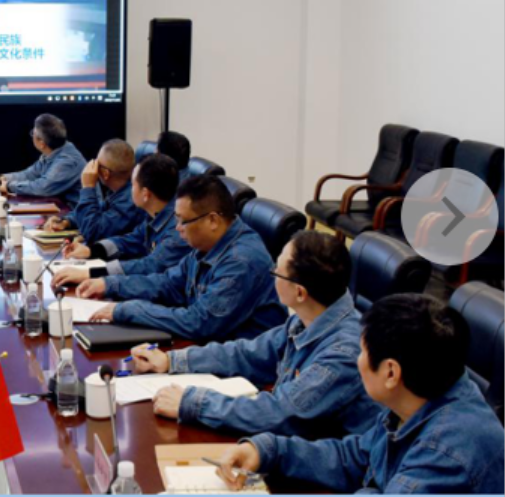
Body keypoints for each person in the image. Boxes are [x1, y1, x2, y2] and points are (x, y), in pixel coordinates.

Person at [215, 294, 504, 494]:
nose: (357, 361)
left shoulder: (445, 455)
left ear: (390, 373)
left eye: (362, 351)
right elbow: (359, 457)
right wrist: (267, 450)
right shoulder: (421, 394)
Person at [129, 231, 380, 439]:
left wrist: (191, 403)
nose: (272, 274)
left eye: (277, 271)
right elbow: (248, 353)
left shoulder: (343, 353)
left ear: (300, 293)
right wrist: (171, 360)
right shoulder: (310, 317)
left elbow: (279, 413)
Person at [84, 175, 286, 342]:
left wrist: (130, 309)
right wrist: (111, 284)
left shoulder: (241, 261)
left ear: (213, 220)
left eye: (183, 221)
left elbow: (199, 323)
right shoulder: (209, 244)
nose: (177, 228)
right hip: (207, 348)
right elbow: (168, 283)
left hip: (237, 366)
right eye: (176, 218)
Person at [52, 153, 188, 286]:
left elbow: (149, 266)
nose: (130, 190)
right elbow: (132, 240)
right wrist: (91, 251)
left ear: (146, 194)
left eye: (133, 184)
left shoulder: (177, 231)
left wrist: (91, 273)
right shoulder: (156, 214)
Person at [42, 139, 146, 243]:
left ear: (105, 173)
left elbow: (92, 233)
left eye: (97, 164)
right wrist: (66, 221)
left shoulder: (130, 200)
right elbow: (97, 212)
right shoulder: (119, 190)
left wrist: (87, 187)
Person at [0, 114, 86, 208]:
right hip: (62, 208)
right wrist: (3, 178)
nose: (32, 137)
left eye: (32, 133)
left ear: (42, 143)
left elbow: (42, 188)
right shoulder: (53, 152)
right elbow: (29, 175)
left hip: (77, 215)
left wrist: (8, 186)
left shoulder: (67, 161)